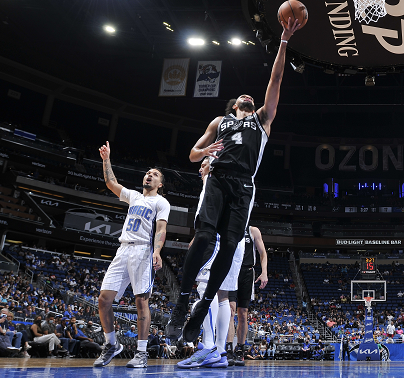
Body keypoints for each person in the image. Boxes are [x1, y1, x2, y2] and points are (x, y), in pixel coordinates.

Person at [167, 18, 299, 343]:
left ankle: (203, 306)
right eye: (241, 96)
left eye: (250, 96)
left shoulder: (263, 121)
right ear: (233, 106)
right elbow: (192, 155)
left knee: (229, 245)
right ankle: (183, 301)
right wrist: (205, 152)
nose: (247, 95)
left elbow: (277, 78)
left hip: (244, 186)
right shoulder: (219, 121)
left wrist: (283, 40)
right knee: (204, 237)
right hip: (217, 179)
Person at [94, 141, 170, 368]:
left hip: (142, 251)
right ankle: (111, 344)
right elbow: (110, 182)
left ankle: (141, 353)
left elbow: (161, 228)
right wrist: (106, 159)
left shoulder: (161, 202)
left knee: (141, 301)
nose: (149, 175)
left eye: (154, 174)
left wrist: (157, 251)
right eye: (148, 172)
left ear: (160, 183)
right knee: (103, 300)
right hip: (123, 248)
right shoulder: (134, 196)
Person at [177, 158, 246, 369]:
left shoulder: (214, 180)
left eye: (205, 163)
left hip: (217, 238)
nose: (200, 167)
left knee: (205, 289)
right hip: (235, 237)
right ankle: (221, 351)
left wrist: (202, 238)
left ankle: (208, 348)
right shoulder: (234, 179)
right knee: (223, 295)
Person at [233, 223, 268, 366]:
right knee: (229, 309)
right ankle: (228, 348)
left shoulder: (253, 230)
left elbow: (263, 253)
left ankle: (240, 348)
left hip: (247, 273)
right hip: (231, 271)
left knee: (243, 313)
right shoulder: (230, 227)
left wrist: (264, 271)